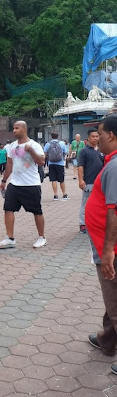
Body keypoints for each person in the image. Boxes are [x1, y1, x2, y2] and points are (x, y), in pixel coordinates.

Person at [85, 115, 117, 374]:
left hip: (110, 249)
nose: (98, 138)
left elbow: (114, 209)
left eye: (101, 133)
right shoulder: (111, 163)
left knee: (114, 300)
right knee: (112, 298)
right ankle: (108, 340)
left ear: (112, 136)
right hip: (106, 244)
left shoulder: (115, 166)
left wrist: (107, 252)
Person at [0, 121, 46, 249]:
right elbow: (9, 164)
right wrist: (4, 181)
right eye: (13, 128)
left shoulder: (34, 145)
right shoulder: (12, 146)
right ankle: (10, 238)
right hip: (15, 184)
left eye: (17, 128)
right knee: (8, 209)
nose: (14, 130)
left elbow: (41, 162)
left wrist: (31, 151)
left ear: (24, 129)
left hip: (31, 184)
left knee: (37, 211)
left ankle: (41, 237)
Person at [78, 128, 104, 234]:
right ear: (88, 138)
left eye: (97, 136)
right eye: (93, 136)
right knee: (86, 203)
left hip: (100, 182)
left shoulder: (101, 150)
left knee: (98, 204)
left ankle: (96, 223)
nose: (95, 138)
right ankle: (82, 224)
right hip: (89, 182)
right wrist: (80, 180)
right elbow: (80, 167)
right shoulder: (84, 151)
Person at [44, 132, 69, 201]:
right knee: (61, 180)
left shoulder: (48, 144)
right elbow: (65, 152)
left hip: (51, 163)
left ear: (51, 137)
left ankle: (55, 195)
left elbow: (45, 154)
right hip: (60, 163)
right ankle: (64, 194)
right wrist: (63, 158)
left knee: (53, 179)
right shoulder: (62, 143)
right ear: (58, 136)